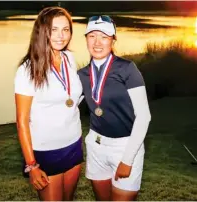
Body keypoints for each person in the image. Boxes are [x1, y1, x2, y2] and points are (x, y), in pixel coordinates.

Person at [78, 15, 151, 201]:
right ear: (86, 38)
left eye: (104, 36)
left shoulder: (127, 69)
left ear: (113, 39)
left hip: (126, 147)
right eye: (92, 36)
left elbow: (144, 117)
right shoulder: (81, 75)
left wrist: (127, 160)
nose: (97, 42)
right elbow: (64, 105)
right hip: (96, 146)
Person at [14, 7, 83, 201]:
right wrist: (32, 165)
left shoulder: (69, 58)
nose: (61, 36)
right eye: (54, 30)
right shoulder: (27, 69)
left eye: (66, 29)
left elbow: (70, 96)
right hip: (46, 150)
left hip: (73, 143)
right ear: (42, 31)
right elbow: (22, 121)